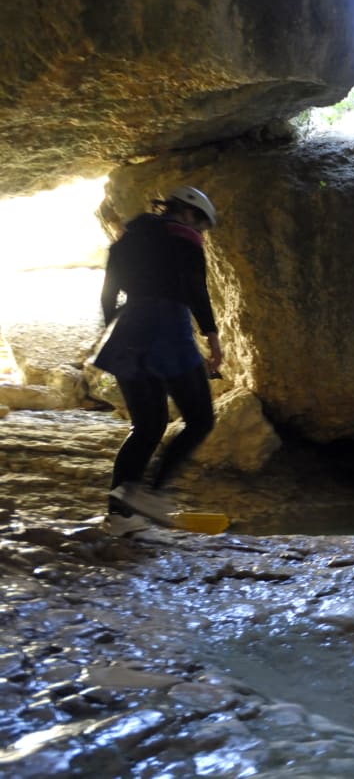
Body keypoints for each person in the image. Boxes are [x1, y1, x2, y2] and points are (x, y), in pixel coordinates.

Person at [94, 186, 223, 536]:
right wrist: (212, 337)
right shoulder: (184, 237)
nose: (200, 232)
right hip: (168, 327)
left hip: (126, 327)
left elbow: (109, 292)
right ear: (189, 213)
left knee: (147, 426)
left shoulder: (129, 236)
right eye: (201, 224)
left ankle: (119, 516)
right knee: (199, 419)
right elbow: (195, 290)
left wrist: (117, 331)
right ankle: (150, 495)